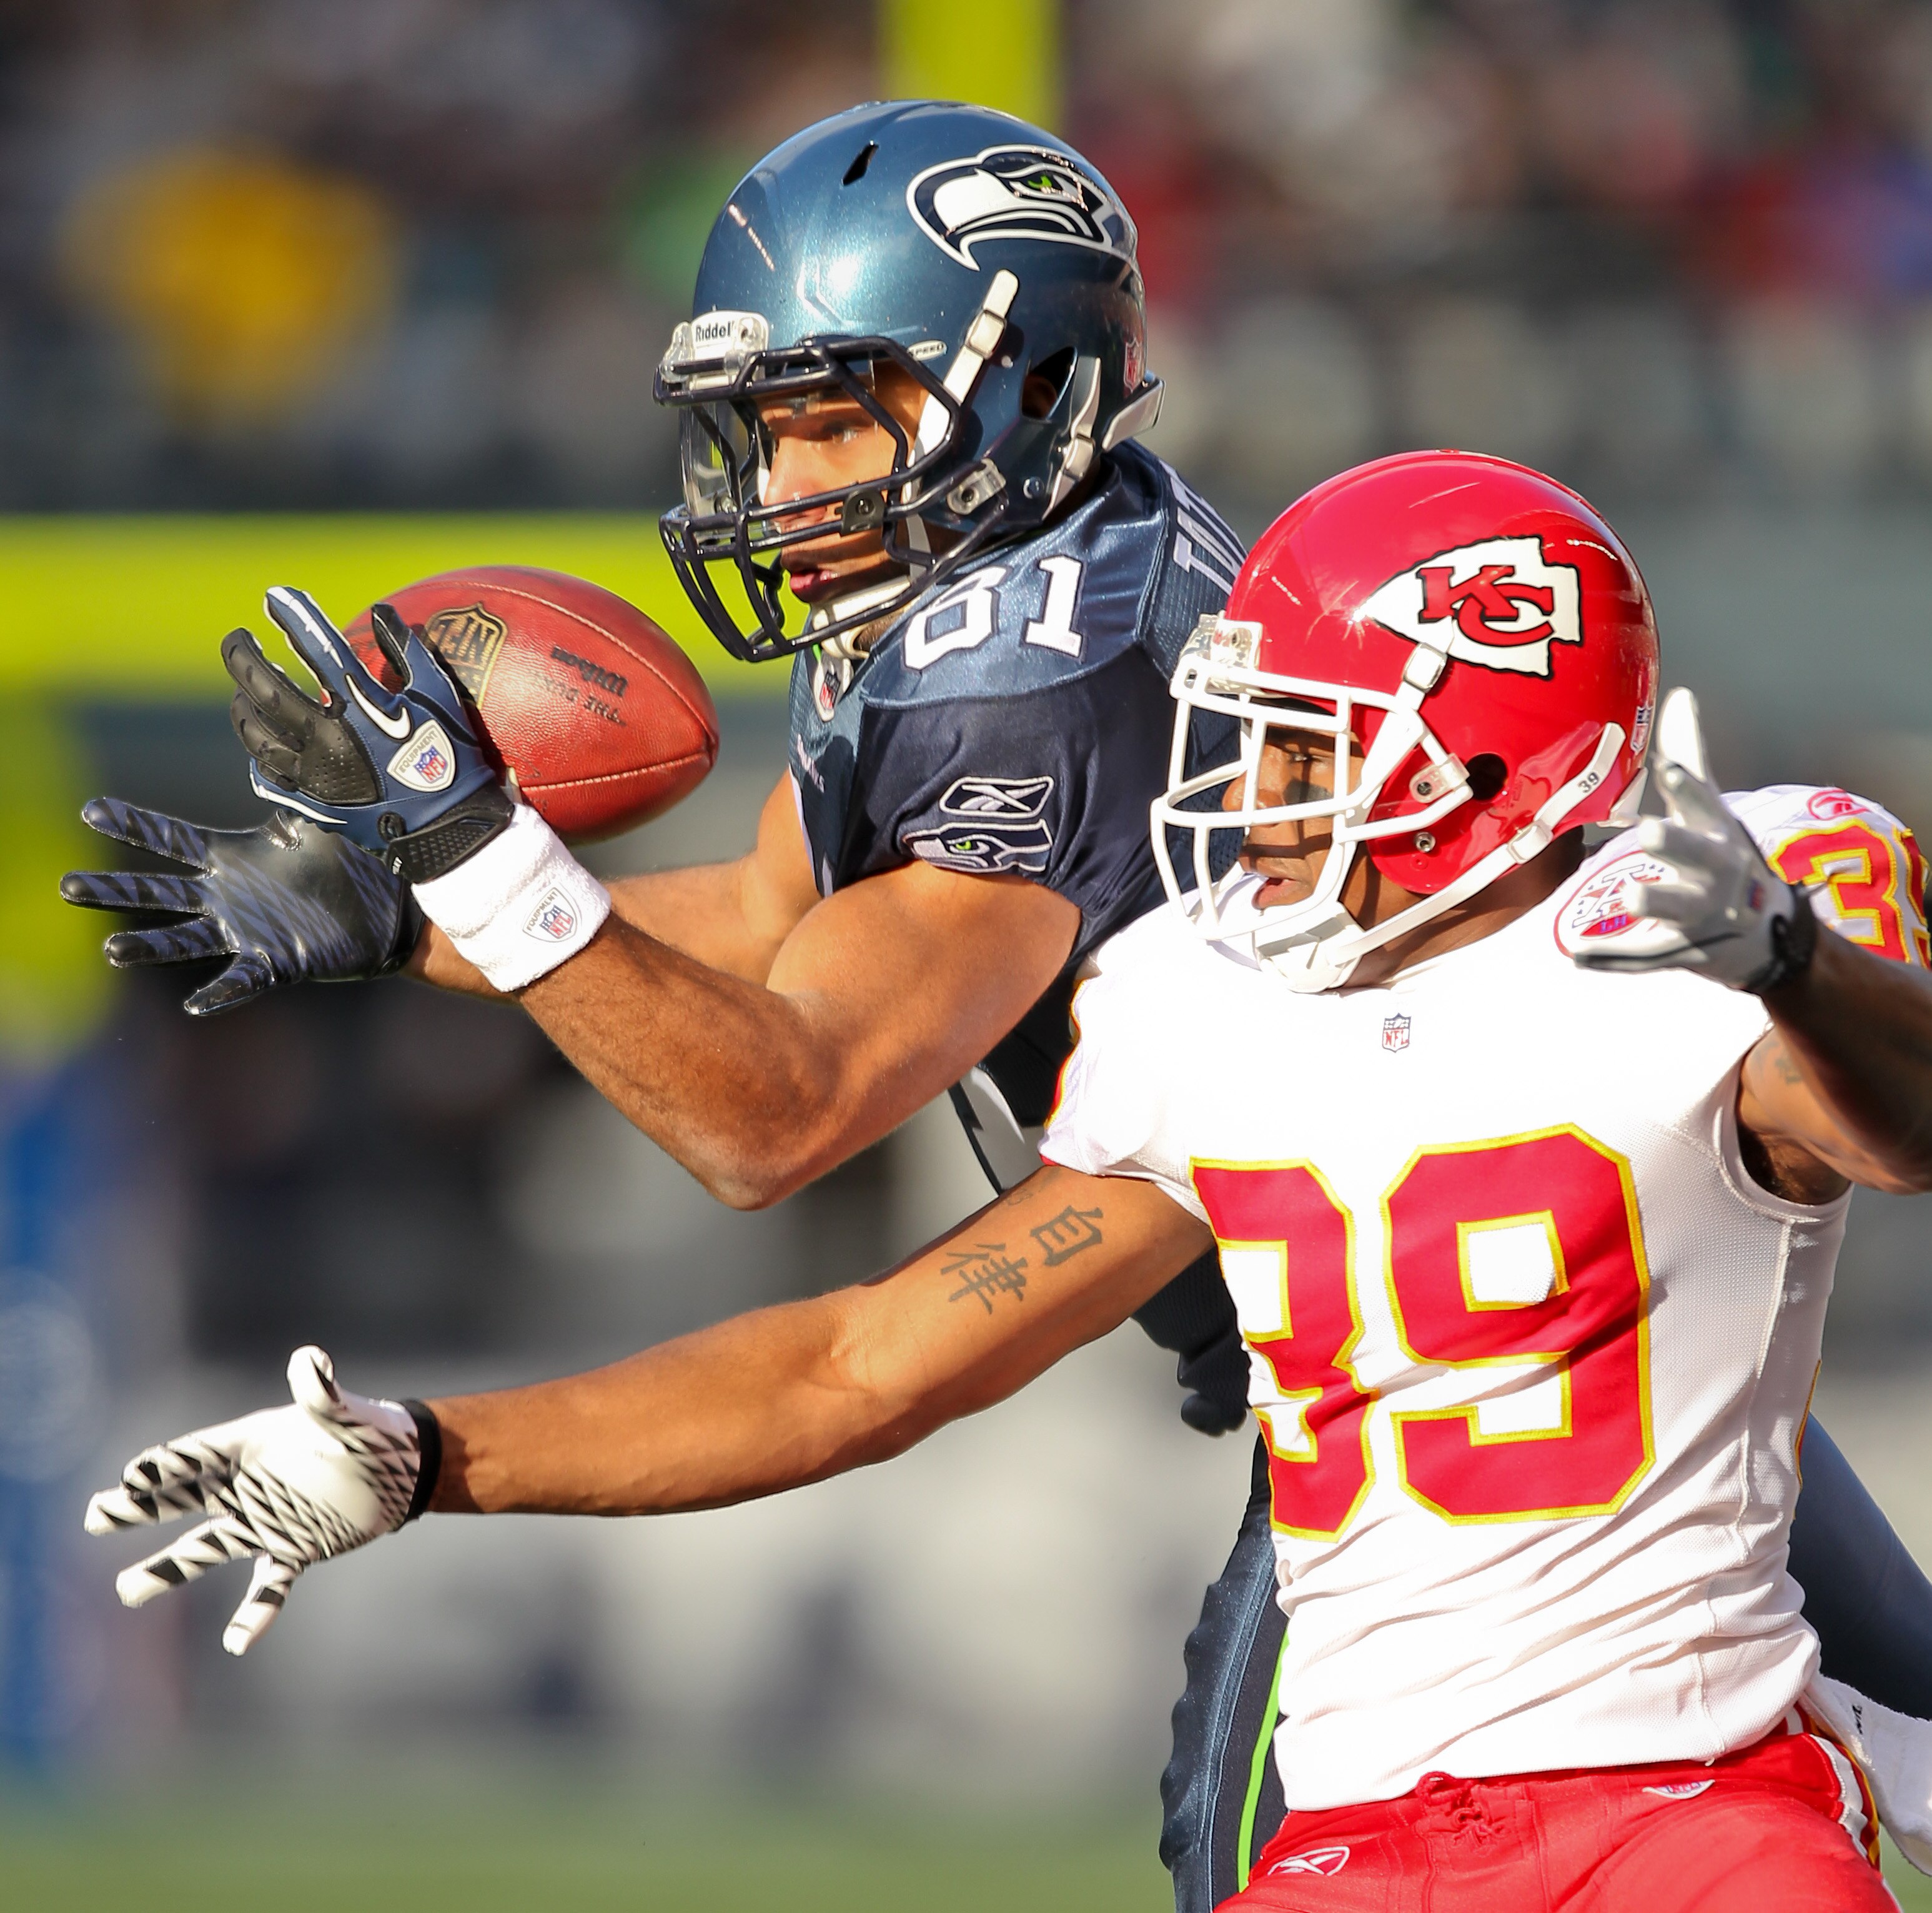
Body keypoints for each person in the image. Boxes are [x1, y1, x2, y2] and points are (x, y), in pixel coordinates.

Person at [58, 111, 1932, 1905]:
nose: (780, 483)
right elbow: (781, 928)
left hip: (1438, 1402)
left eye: (825, 422)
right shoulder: (1005, 577)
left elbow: (776, 1108)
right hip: (1447, 1335)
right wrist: (409, 924)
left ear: (1022, 382)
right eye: (759, 430)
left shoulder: (1033, 677)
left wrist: (482, 859)